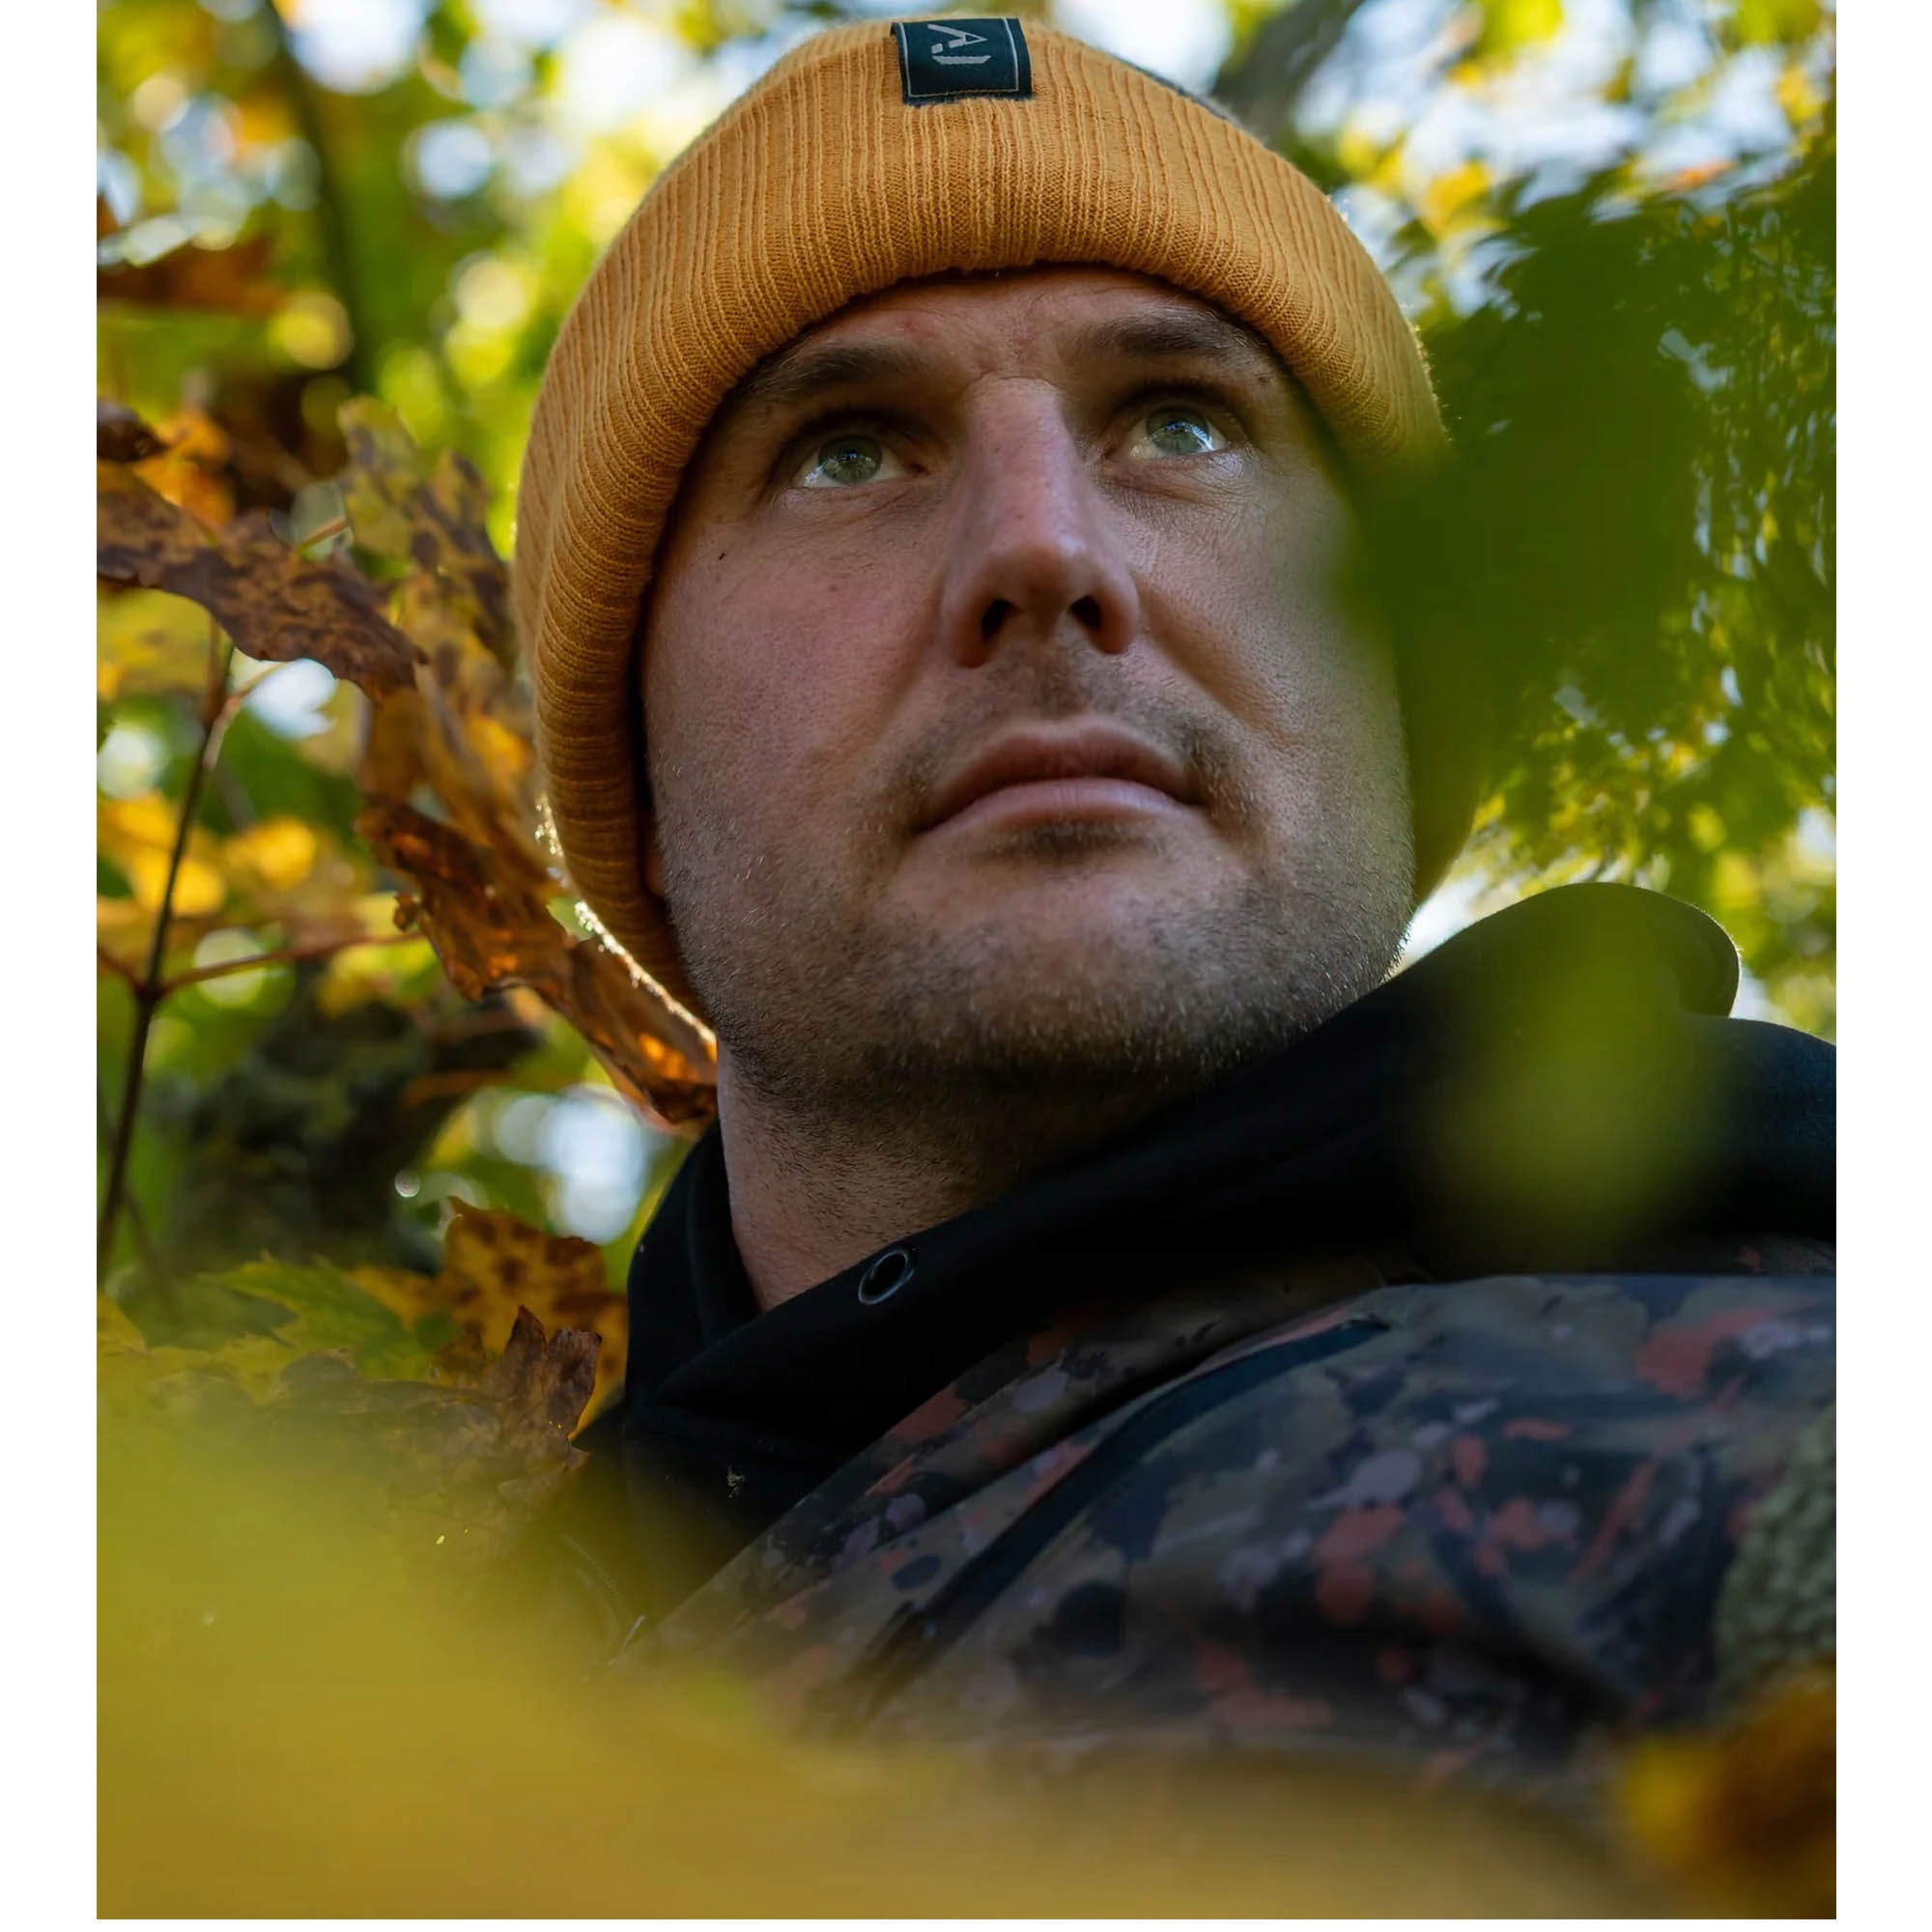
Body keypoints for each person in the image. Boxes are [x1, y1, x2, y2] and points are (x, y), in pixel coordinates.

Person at [513, 17, 1833, 1795]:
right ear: (641, 771)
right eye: (848, 453)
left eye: (1182, 423)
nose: (1041, 549)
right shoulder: (368, 1729)